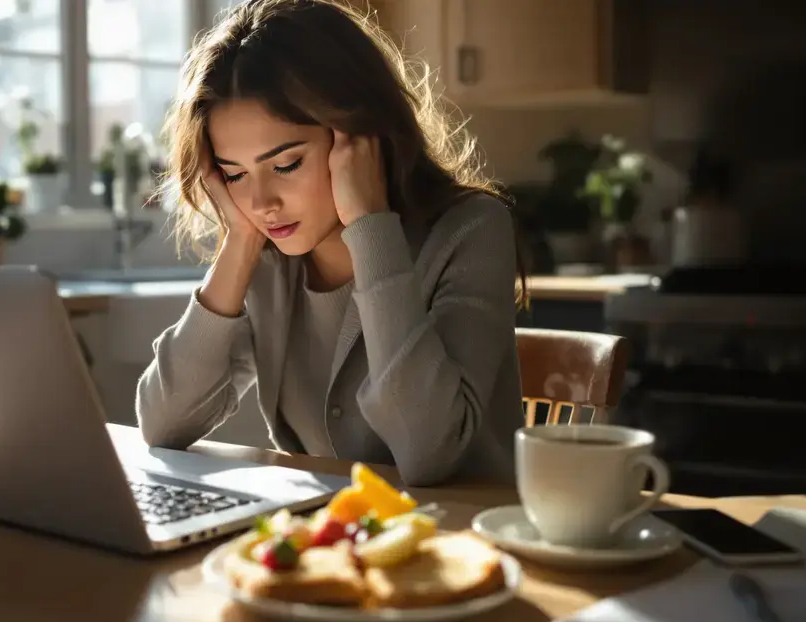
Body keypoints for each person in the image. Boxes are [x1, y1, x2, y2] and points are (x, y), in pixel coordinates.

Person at [135, 0, 527, 487]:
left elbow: (429, 453)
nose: (261, 202)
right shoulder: (267, 255)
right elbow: (163, 424)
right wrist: (238, 243)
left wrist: (369, 225)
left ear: (361, 139)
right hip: (331, 541)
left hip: (460, 539)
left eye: (285, 165)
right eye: (234, 175)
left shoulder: (470, 228)